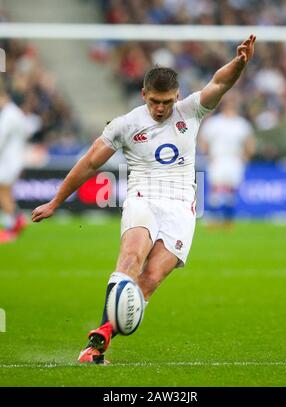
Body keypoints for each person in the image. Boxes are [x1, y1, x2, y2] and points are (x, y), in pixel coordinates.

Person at [32, 35, 256, 364]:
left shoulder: (190, 110)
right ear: (143, 95)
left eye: (166, 101)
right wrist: (55, 201)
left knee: (149, 280)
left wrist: (239, 63)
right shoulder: (126, 125)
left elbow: (220, 83)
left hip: (181, 208)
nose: (161, 108)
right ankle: (94, 350)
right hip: (143, 198)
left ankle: (103, 334)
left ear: (176, 96)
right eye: (154, 101)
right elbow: (91, 162)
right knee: (131, 259)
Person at [198, 98, 256, 228]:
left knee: (231, 190)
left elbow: (249, 141)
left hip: (234, 159)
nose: (230, 107)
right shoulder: (215, 122)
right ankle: (213, 219)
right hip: (218, 158)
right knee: (216, 189)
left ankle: (228, 220)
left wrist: (246, 156)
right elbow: (203, 139)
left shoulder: (241, 124)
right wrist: (207, 153)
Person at [0, 85, 29, 243]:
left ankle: (12, 227)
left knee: (3, 192)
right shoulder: (17, 113)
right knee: (6, 192)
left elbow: (1, 138)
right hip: (16, 158)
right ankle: (17, 220)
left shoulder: (8, 114)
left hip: (8, 160)